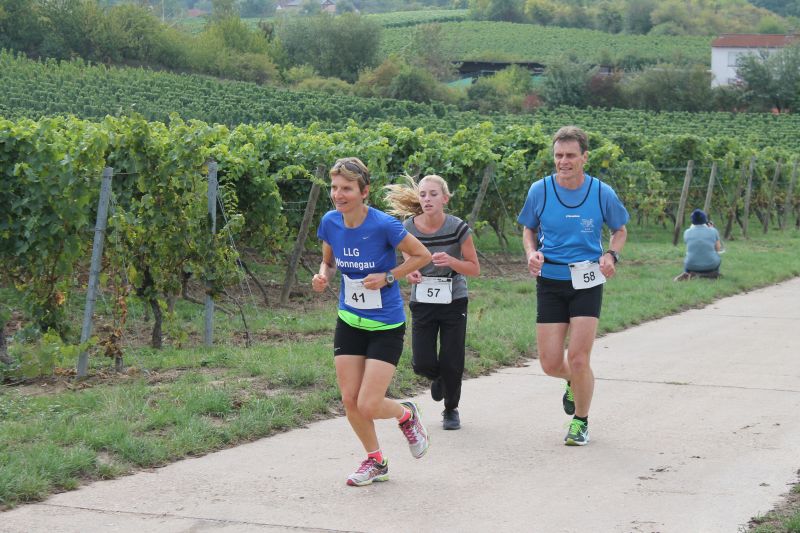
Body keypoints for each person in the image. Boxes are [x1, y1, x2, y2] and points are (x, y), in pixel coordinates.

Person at [312, 157, 432, 486]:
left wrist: (388, 276)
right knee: (350, 400)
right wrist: (322, 276)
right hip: (349, 321)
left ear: (364, 192)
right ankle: (376, 461)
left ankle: (406, 414)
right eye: (335, 188)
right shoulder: (330, 222)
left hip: (385, 325)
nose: (338, 195)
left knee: (368, 403)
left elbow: (422, 255)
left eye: (347, 189)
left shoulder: (383, 225)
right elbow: (328, 263)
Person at [517, 126, 629, 446]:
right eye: (558, 155)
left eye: (570, 155)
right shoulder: (540, 190)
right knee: (551, 363)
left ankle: (581, 421)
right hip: (550, 281)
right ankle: (573, 381)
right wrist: (531, 253)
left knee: (579, 358)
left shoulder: (601, 192)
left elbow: (619, 230)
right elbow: (528, 229)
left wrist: (611, 255)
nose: (563, 161)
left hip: (587, 280)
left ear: (584, 157)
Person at [384, 175, 480, 430]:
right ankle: (438, 378)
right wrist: (411, 272)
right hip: (423, 299)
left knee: (452, 358)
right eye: (423, 194)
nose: (427, 199)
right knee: (421, 362)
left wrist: (452, 261)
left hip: (454, 299)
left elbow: (474, 268)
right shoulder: (408, 227)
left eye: (433, 194)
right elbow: (408, 258)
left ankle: (451, 409)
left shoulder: (458, 228)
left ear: (445, 199)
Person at [674, 209, 722, 281]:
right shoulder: (713, 231)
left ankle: (687, 273)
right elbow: (718, 248)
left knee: (688, 259)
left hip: (691, 265)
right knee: (717, 258)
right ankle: (714, 274)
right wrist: (711, 229)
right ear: (705, 220)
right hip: (711, 265)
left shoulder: (687, 232)